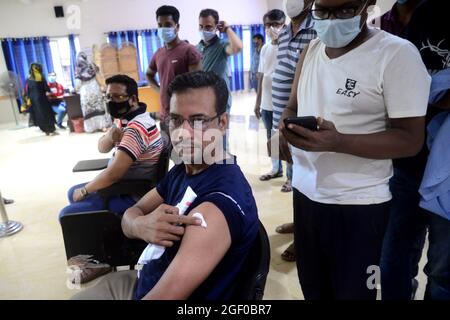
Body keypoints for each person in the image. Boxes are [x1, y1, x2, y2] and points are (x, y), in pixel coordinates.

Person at [280, 0, 431, 299]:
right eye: (322, 11)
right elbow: (292, 105)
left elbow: (410, 139)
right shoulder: (311, 51)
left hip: (360, 204)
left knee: (355, 291)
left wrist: (339, 142)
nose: (332, 21)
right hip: (307, 193)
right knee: (313, 285)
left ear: (368, 4)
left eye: (346, 10)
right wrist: (284, 130)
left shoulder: (396, 54)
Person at [71, 71, 259, 300]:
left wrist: (134, 224)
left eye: (199, 121)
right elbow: (133, 212)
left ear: (222, 122)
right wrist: (139, 225)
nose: (183, 133)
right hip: (145, 278)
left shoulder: (216, 205)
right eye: (177, 120)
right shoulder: (184, 170)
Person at [377, 0, 450, 300]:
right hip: (406, 163)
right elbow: (401, 84)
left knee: (444, 270)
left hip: (447, 171)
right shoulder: (424, 15)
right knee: (393, 258)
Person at [59, 75, 163, 219]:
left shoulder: (135, 130)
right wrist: (110, 137)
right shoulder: (126, 117)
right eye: (108, 97)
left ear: (133, 99)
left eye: (117, 97)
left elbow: (114, 174)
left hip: (131, 193)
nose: (111, 101)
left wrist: (84, 191)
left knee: (66, 214)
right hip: (122, 183)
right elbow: (102, 148)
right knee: (72, 192)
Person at [271, 0, 317, 262]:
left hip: (301, 118)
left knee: (307, 179)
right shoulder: (286, 31)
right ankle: (299, 224)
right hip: (282, 117)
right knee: (295, 177)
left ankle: (305, 239)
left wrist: (291, 120)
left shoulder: (319, 28)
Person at [146, 5, 203, 139]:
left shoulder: (189, 51)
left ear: (177, 27)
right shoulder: (158, 53)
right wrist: (159, 90)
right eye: (160, 25)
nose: (163, 29)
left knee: (189, 155)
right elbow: (149, 74)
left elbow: (198, 86)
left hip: (186, 117)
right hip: (165, 115)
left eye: (168, 24)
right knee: (168, 154)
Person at [254, 9, 286, 182]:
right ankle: (276, 169)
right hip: (267, 103)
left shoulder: (288, 47)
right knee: (271, 138)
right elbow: (261, 76)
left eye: (275, 24)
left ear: (283, 25)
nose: (271, 28)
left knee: (287, 139)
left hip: (284, 103)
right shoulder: (265, 48)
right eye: (267, 25)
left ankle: (291, 177)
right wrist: (257, 102)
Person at [75, 52, 112, 133]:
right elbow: (99, 75)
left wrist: (76, 89)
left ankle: (91, 128)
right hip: (95, 89)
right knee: (99, 108)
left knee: (88, 110)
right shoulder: (92, 66)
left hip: (85, 91)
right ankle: (103, 127)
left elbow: (77, 85)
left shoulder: (78, 69)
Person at [24, 63, 56, 135]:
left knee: (39, 115)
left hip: (33, 101)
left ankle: (45, 131)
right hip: (42, 99)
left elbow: (26, 90)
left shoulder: (28, 78)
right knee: (47, 114)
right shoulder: (40, 76)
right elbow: (46, 89)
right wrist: (49, 91)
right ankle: (50, 129)